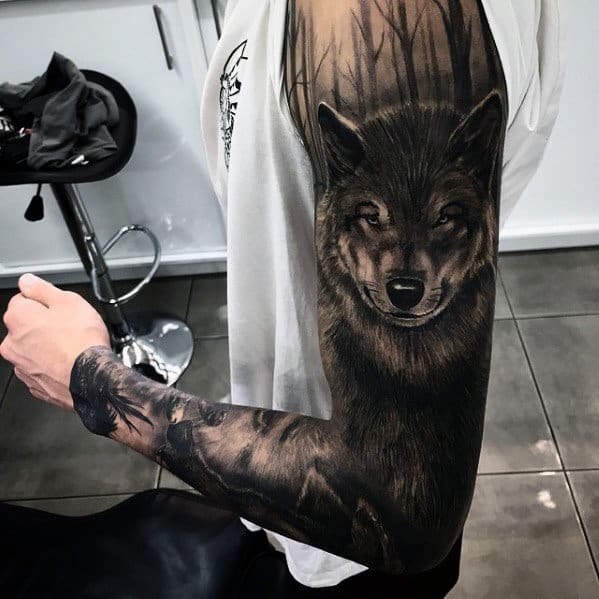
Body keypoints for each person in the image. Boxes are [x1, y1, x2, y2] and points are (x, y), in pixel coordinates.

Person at [0, 0, 567, 596]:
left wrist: (93, 384)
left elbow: (403, 509)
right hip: (293, 485)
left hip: (349, 547)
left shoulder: (380, 18)